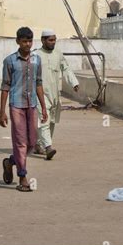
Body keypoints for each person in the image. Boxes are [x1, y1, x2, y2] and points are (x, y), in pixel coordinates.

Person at [0, 27, 47, 192]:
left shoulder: (36, 60)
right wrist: (2, 112)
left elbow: (39, 83)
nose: (27, 44)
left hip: (32, 105)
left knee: (32, 143)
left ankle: (10, 162)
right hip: (16, 105)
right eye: (24, 41)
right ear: (18, 41)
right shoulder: (10, 61)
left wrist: (44, 107)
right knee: (20, 142)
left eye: (30, 41)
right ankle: (22, 177)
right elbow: (5, 86)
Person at [33, 29, 79, 160]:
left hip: (54, 94)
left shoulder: (58, 54)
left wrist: (74, 83)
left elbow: (66, 68)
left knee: (52, 120)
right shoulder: (35, 55)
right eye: (50, 40)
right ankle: (48, 148)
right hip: (40, 94)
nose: (53, 42)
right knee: (44, 120)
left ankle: (39, 145)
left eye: (54, 40)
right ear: (43, 40)